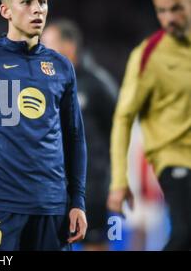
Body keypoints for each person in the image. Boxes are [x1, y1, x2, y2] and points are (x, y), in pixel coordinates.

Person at [0, 0, 87, 251]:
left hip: (53, 207)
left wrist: (77, 201)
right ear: (5, 10)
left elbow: (74, 137)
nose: (37, 9)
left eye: (42, 1)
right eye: (27, 1)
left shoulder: (61, 67)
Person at [107, 0, 191, 251]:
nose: (169, 18)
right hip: (175, 157)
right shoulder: (147, 56)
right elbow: (123, 117)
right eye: (161, 11)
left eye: (176, 9)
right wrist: (120, 180)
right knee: (184, 233)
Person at [42, 19, 117, 250]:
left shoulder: (98, 84)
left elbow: (117, 132)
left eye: (48, 44)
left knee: (94, 243)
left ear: (69, 46)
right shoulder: (47, 83)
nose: (43, 50)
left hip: (92, 185)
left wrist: (115, 182)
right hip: (54, 184)